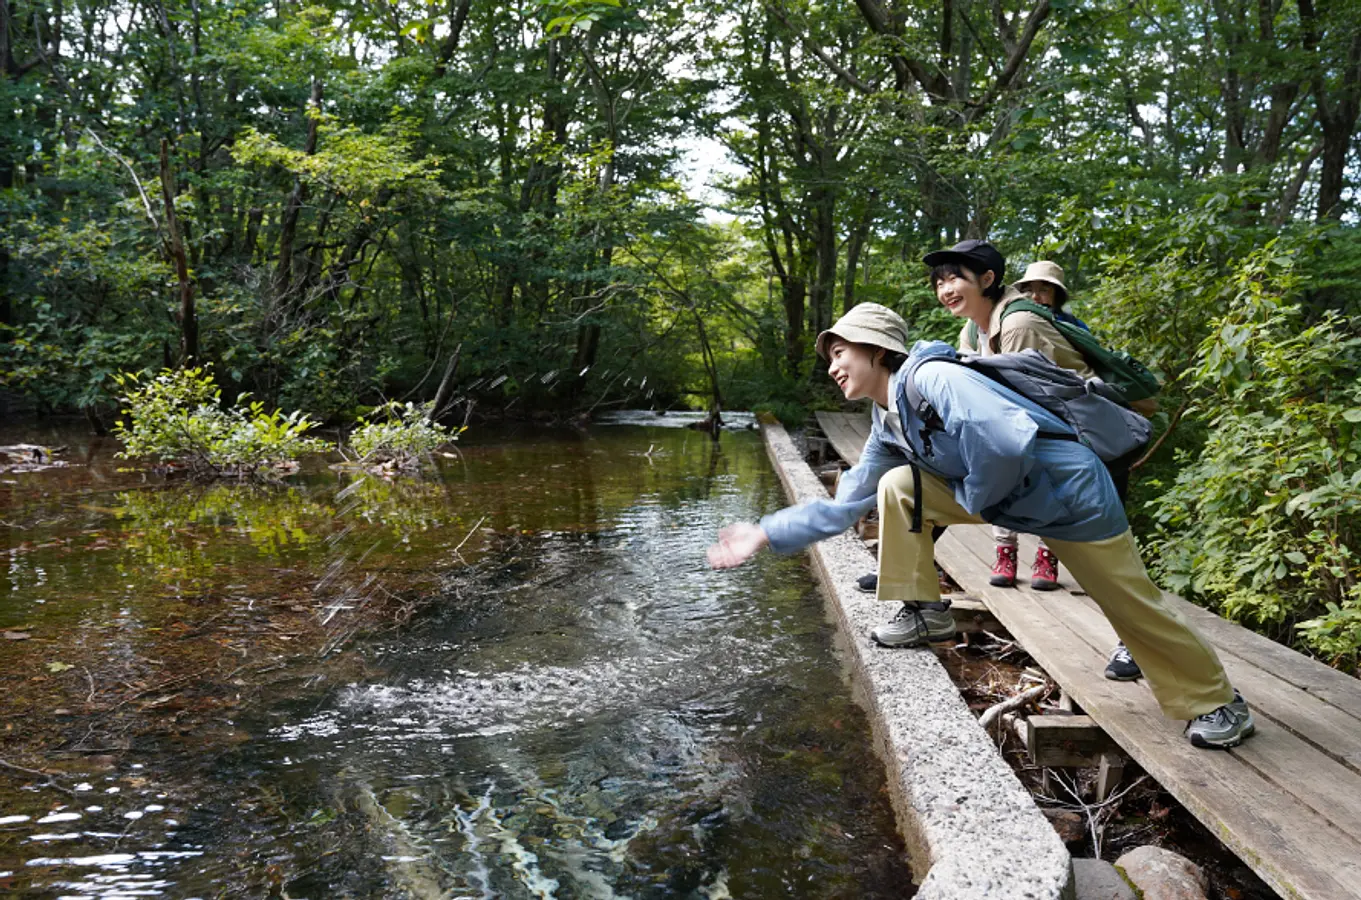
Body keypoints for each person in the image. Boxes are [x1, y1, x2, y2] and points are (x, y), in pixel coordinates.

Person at [705, 298, 1255, 750]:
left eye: (841, 352)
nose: (833, 366)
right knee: (898, 486)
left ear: (878, 350)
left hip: (1070, 496)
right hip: (1015, 498)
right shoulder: (886, 419)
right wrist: (766, 531)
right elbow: (847, 503)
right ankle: (923, 611)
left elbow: (1003, 440)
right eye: (830, 358)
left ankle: (1217, 702)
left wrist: (978, 500)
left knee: (1128, 601)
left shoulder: (936, 378)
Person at [1014, 259, 1141, 681]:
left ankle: (1134, 641)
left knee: (1114, 544)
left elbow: (1088, 383)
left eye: (1044, 290)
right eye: (1030, 289)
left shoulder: (1071, 328)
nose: (1036, 296)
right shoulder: (1002, 326)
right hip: (1060, 449)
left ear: (1057, 295)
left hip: (1097, 441)